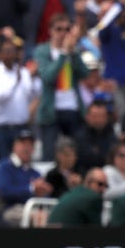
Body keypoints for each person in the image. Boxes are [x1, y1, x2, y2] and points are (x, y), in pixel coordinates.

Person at [35, 14, 88, 162]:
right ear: (50, 31)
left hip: (72, 107)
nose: (63, 33)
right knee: (50, 155)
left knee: (77, 153)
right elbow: (48, 76)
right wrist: (63, 54)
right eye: (59, 29)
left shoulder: (74, 51)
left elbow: (84, 73)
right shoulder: (42, 51)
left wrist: (73, 53)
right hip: (51, 110)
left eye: (67, 29)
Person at [0, 38, 41, 161]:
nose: (11, 54)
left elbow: (32, 93)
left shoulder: (23, 72)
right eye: (7, 51)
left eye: (13, 51)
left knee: (22, 161)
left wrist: (35, 78)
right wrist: (15, 81)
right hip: (1, 128)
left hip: (20, 127)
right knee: (3, 161)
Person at [0, 130, 53, 227]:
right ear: (14, 146)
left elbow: (44, 196)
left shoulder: (35, 172)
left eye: (30, 144)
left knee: (54, 216)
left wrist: (45, 191)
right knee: (38, 217)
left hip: (32, 208)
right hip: (10, 209)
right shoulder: (4, 167)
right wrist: (31, 189)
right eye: (23, 143)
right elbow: (4, 191)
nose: (27, 147)